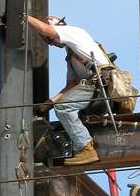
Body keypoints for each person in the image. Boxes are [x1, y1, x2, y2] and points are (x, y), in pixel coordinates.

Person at [28, 15, 112, 166]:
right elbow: (71, 86)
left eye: (49, 39)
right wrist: (49, 103)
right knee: (67, 109)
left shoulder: (72, 32)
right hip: (96, 91)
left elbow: (47, 29)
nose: (51, 43)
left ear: (57, 26)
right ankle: (82, 142)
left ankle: (86, 148)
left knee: (64, 107)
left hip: (102, 85)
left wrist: (24, 16)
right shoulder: (72, 56)